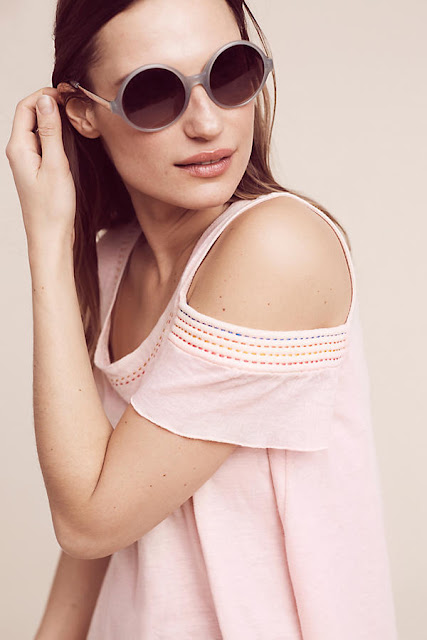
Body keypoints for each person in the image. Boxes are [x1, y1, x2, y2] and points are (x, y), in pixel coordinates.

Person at [5, 0, 399, 638]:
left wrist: (48, 240)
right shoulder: (114, 260)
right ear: (81, 111)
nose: (208, 123)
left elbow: (89, 521)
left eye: (230, 72)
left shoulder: (278, 248)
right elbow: (96, 509)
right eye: (152, 93)